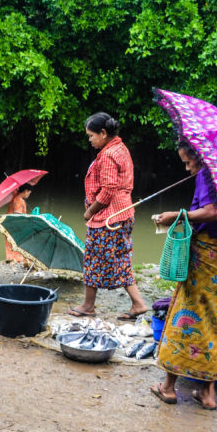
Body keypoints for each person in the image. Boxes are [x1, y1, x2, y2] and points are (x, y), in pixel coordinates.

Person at [150, 141, 217, 410]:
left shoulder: (208, 173)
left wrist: (178, 215)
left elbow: (213, 211)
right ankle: (208, 393)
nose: (187, 167)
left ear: (200, 156)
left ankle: (169, 387)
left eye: (188, 161)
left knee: (185, 313)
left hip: (208, 258)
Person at [68, 112, 148, 320]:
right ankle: (138, 303)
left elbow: (109, 189)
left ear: (103, 133)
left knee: (93, 259)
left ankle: (88, 306)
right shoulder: (120, 148)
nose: (90, 140)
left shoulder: (108, 154)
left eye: (91, 135)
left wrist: (90, 211)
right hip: (124, 213)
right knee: (120, 258)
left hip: (109, 216)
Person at [4, 184, 32, 263]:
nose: (28, 195)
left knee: (11, 246)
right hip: (14, 227)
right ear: (26, 191)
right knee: (17, 246)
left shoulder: (14, 197)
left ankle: (12, 260)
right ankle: (16, 261)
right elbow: (18, 216)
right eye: (29, 193)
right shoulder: (19, 201)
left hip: (8, 225)